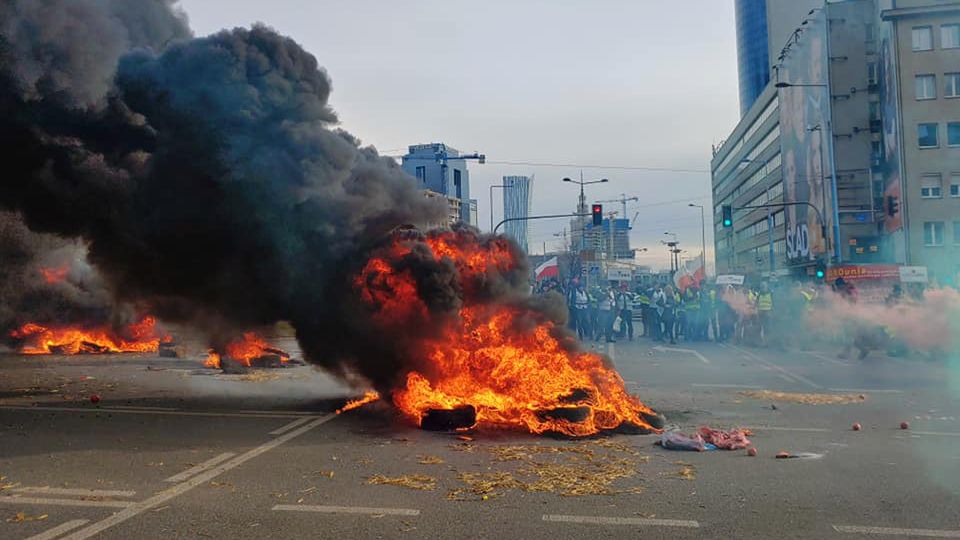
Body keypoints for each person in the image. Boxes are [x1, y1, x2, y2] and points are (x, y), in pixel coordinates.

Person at [756, 282, 773, 346]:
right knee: (759, 328)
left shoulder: (771, 294)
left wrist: (772, 312)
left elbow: (773, 304)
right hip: (761, 313)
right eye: (761, 287)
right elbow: (756, 303)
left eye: (764, 286)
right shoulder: (759, 295)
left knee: (767, 328)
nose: (762, 288)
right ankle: (761, 342)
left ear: (766, 287)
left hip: (768, 313)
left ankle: (768, 342)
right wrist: (757, 311)